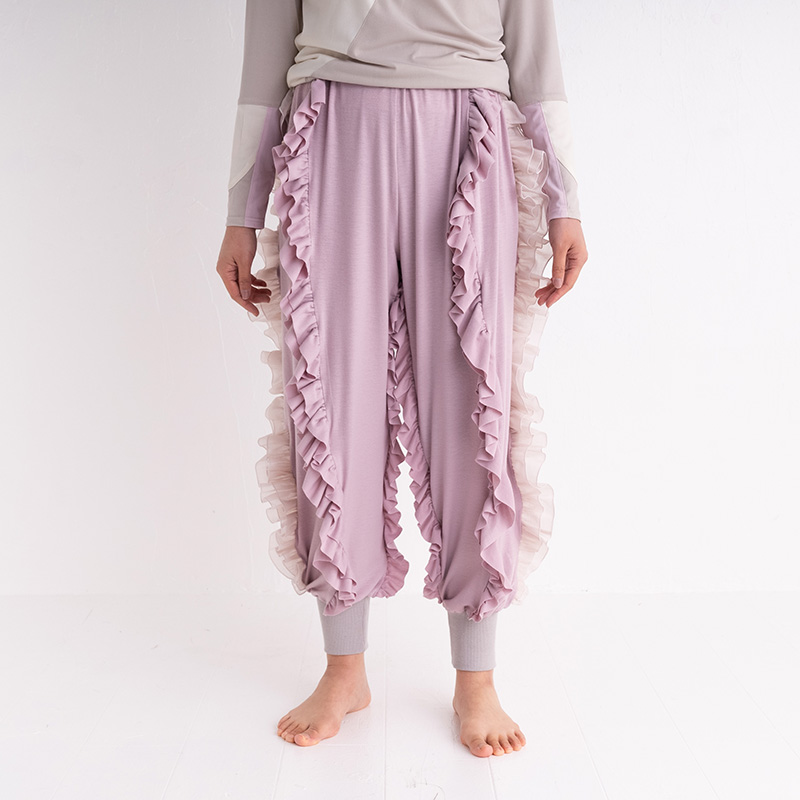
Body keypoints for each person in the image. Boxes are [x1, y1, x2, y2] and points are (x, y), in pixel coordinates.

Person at [215, 0, 588, 758]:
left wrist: (566, 201)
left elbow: (536, 59)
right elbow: (263, 64)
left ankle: (476, 677)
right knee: (329, 400)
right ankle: (343, 667)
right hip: (332, 132)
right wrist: (240, 212)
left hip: (466, 135)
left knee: (471, 402)